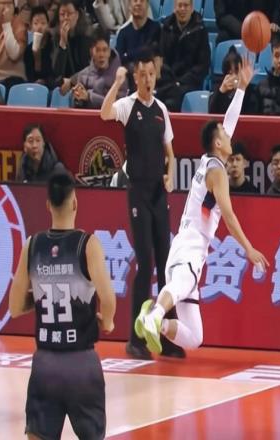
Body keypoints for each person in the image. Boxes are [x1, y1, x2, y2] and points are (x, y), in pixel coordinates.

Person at [133, 57, 269, 354]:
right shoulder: (216, 172)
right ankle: (155, 314)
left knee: (194, 337)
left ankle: (155, 321)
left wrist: (242, 89)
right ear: (218, 144)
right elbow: (229, 216)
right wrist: (248, 249)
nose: (229, 136)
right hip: (191, 246)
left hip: (186, 245)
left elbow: (229, 122)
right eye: (224, 136)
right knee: (181, 284)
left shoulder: (210, 159)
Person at [8, 172, 116, 440]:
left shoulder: (32, 245)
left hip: (45, 364)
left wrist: (42, 295)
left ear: (48, 205)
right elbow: (108, 298)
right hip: (82, 364)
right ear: (75, 203)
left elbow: (15, 307)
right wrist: (108, 321)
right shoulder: (88, 244)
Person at [100, 51, 184, 359]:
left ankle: (167, 336)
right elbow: (104, 113)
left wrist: (170, 175)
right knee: (145, 263)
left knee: (165, 264)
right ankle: (135, 339)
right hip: (137, 192)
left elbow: (170, 153)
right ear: (136, 77)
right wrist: (116, 82)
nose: (148, 79)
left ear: (155, 76)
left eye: (151, 74)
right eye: (142, 74)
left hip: (159, 194)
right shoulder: (128, 105)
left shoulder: (161, 109)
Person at [156, 0, 211, 112]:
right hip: (167, 82)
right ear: (174, 8)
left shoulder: (200, 29)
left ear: (192, 8)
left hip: (189, 83)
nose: (182, 9)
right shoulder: (166, 28)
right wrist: (172, 81)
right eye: (179, 5)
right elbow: (160, 59)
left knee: (173, 100)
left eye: (186, 5)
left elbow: (203, 65)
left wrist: (181, 82)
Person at [61, 28, 127, 109]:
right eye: (98, 50)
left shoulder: (120, 77)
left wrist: (89, 96)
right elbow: (77, 107)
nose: (101, 55)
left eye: (104, 50)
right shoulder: (83, 75)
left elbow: (118, 105)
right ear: (91, 52)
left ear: (109, 52)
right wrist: (79, 98)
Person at [209, 45, 259, 115]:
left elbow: (251, 114)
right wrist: (220, 92)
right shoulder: (218, 88)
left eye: (236, 71)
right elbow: (211, 113)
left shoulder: (250, 91)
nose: (234, 76)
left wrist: (241, 89)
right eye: (230, 73)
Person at [52, 0, 92, 80]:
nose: (66, 17)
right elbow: (56, 72)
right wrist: (62, 43)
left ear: (77, 15)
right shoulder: (54, 38)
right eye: (62, 14)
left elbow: (88, 69)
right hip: (61, 84)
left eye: (69, 14)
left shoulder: (86, 38)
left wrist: (72, 81)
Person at [115, 0, 160, 70]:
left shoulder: (156, 29)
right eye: (135, 0)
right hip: (130, 74)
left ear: (147, 5)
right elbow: (119, 62)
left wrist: (128, 55)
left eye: (142, 1)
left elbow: (157, 56)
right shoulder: (122, 33)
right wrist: (142, 51)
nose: (138, 3)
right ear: (129, 6)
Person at [214, 0, 280, 44]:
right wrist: (246, 29)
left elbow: (278, 10)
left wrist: (274, 24)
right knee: (223, 38)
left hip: (265, 31)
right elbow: (221, 15)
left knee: (277, 39)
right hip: (236, 31)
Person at [24, 6, 55, 88]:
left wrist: (45, 82)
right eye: (36, 23)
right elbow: (29, 76)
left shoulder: (53, 45)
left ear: (48, 25)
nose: (39, 27)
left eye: (43, 23)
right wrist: (36, 58)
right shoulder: (28, 50)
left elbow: (55, 73)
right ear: (31, 27)